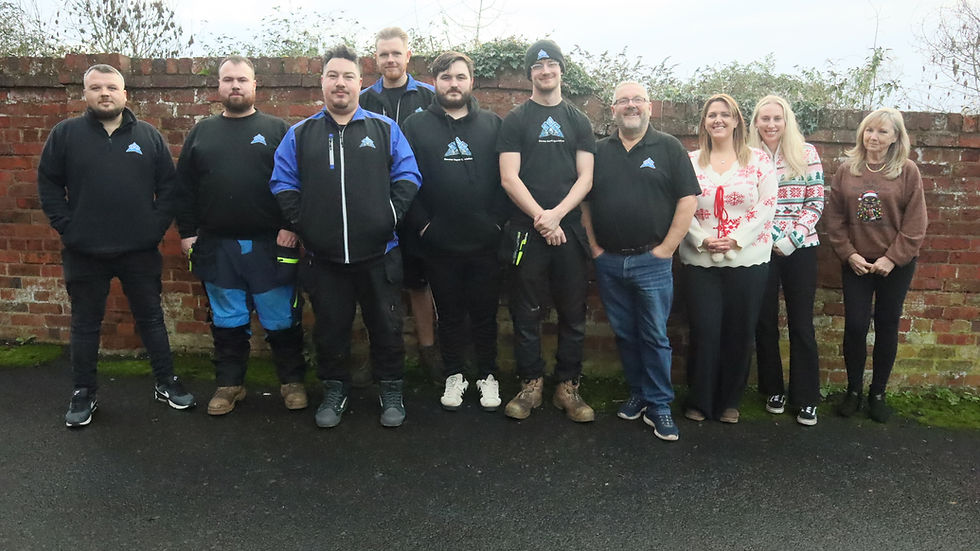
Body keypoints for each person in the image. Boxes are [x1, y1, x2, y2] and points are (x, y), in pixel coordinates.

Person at [270, 44, 421, 429]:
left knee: (386, 328)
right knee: (330, 329)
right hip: (324, 259)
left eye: (348, 77)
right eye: (333, 76)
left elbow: (408, 176)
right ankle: (334, 390)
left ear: (359, 83)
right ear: (322, 82)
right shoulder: (300, 134)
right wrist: (305, 224)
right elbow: (283, 183)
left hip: (379, 253)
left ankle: (391, 388)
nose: (341, 84)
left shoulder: (384, 129)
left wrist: (389, 215)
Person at [37, 64, 195, 427]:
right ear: (85, 95)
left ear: (125, 94)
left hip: (139, 250)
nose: (104, 93)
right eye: (96, 87)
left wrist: (153, 229)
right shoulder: (65, 134)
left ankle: (166, 381)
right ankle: (83, 391)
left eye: (111, 87)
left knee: (152, 318)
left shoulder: (149, 136)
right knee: (85, 323)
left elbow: (169, 188)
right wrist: (67, 227)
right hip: (84, 250)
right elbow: (48, 184)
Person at [176, 56, 307, 416]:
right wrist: (187, 233)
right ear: (218, 86)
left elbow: (297, 183)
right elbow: (184, 188)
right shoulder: (202, 132)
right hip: (217, 246)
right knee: (228, 319)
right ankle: (230, 385)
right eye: (228, 80)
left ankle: (292, 382)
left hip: (272, 245)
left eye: (242, 80)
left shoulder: (278, 129)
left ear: (255, 86)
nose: (235, 86)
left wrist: (291, 225)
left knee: (281, 318)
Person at [581, 82, 699, 441]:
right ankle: (639, 394)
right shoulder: (597, 151)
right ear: (612, 110)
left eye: (637, 100)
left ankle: (660, 405)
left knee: (654, 335)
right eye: (623, 101)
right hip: (609, 261)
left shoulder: (669, 147)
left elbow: (688, 200)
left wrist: (666, 249)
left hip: (652, 260)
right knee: (625, 334)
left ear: (650, 107)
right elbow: (583, 201)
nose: (630, 106)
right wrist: (595, 249)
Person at [401, 52, 507, 412]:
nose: (453, 83)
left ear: (471, 81)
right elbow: (404, 181)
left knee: (484, 313)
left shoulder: (493, 125)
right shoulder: (415, 126)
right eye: (446, 77)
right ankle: (454, 374)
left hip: (484, 240)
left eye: (460, 77)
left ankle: (488, 375)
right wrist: (425, 225)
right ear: (434, 82)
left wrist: (495, 223)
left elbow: (507, 180)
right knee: (447, 313)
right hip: (439, 241)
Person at [497, 39, 597, 422]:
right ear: (530, 75)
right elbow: (509, 178)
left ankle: (567, 386)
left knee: (573, 311)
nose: (545, 72)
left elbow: (585, 178)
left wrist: (557, 216)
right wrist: (543, 217)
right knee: (526, 311)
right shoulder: (516, 120)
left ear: (560, 70)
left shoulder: (578, 120)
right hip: (527, 232)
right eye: (538, 67)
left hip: (569, 231)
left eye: (551, 65)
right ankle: (531, 384)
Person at [824, 108, 927, 423]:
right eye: (870, 130)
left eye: (882, 132)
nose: (874, 137)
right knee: (855, 325)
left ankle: (877, 394)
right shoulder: (848, 170)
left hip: (894, 265)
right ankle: (853, 391)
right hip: (856, 262)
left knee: (886, 325)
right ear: (861, 134)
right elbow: (834, 217)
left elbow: (915, 223)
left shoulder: (907, 171)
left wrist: (892, 258)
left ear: (896, 137)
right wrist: (848, 253)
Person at [679, 93, 777, 424]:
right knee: (704, 330)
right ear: (704, 123)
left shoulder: (759, 162)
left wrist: (735, 239)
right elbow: (680, 205)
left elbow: (767, 206)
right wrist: (703, 238)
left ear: (737, 121)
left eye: (725, 114)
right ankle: (700, 399)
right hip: (700, 259)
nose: (718, 120)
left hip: (748, 259)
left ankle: (729, 401)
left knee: (739, 331)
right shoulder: (690, 161)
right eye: (711, 115)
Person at [359, 26, 440, 381]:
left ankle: (427, 352)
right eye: (383, 54)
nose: (390, 60)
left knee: (419, 283)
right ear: (375, 60)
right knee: (371, 283)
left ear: (408, 56)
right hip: (372, 203)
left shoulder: (430, 95)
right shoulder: (362, 99)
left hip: (419, 203)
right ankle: (374, 356)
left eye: (396, 53)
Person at [748, 95, 825, 426]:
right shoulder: (748, 157)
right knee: (764, 321)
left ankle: (806, 397)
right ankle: (773, 389)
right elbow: (749, 204)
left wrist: (792, 239)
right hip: (761, 247)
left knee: (801, 322)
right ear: (755, 123)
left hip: (801, 247)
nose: (770, 124)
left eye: (776, 118)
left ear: (786, 120)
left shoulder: (806, 153)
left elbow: (816, 202)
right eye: (764, 118)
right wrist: (771, 238)